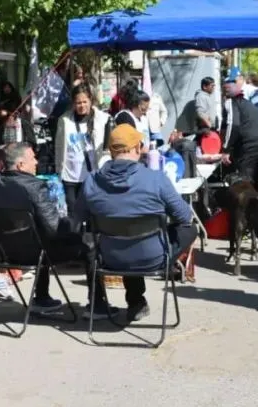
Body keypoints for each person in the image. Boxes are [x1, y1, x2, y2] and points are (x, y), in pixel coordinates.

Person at [77, 124, 198, 322]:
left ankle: (129, 301)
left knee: (120, 237)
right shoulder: (155, 179)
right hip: (153, 256)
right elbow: (185, 217)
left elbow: (77, 218)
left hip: (111, 257)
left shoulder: (91, 181)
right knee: (189, 229)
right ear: (135, 148)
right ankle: (145, 291)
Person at [0, 143, 84, 314]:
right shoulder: (34, 186)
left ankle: (43, 296)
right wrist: (77, 225)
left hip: (2, 252)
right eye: (32, 158)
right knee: (88, 246)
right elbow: (53, 228)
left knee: (38, 233)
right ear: (21, 165)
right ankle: (97, 305)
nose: (37, 162)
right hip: (34, 253)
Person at [55, 84, 111, 211]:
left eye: (85, 101)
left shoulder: (102, 119)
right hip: (69, 175)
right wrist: (59, 170)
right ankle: (75, 232)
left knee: (92, 210)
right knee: (73, 212)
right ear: (73, 104)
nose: (82, 106)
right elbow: (58, 146)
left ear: (91, 100)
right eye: (78, 103)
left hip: (92, 175)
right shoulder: (64, 120)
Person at [220, 70, 258, 180]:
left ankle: (248, 196)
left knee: (244, 178)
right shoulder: (246, 102)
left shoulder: (231, 102)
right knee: (251, 178)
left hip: (248, 145)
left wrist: (226, 149)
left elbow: (233, 125)